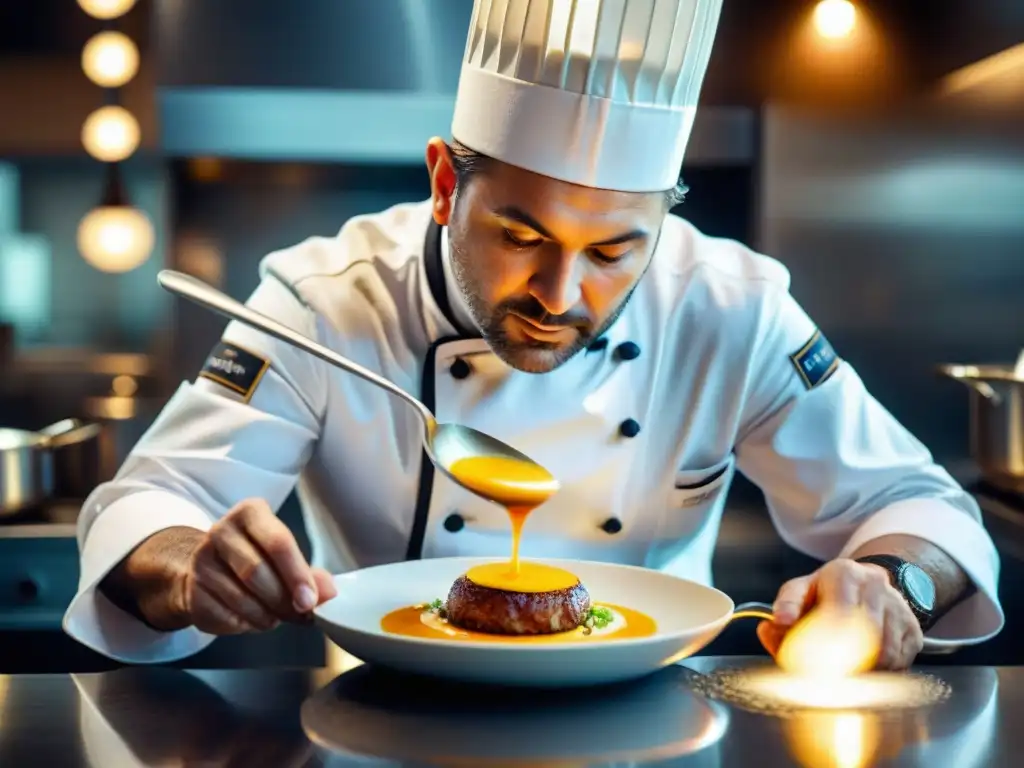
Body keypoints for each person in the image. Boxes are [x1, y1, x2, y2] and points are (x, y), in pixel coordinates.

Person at [63, 0, 1003, 668]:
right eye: (521, 235)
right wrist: (191, 568)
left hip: (658, 719)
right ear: (444, 184)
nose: (559, 292)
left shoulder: (731, 306)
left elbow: (923, 508)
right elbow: (155, 504)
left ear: (664, 224)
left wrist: (893, 586)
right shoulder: (326, 302)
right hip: (382, 716)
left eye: (613, 251)